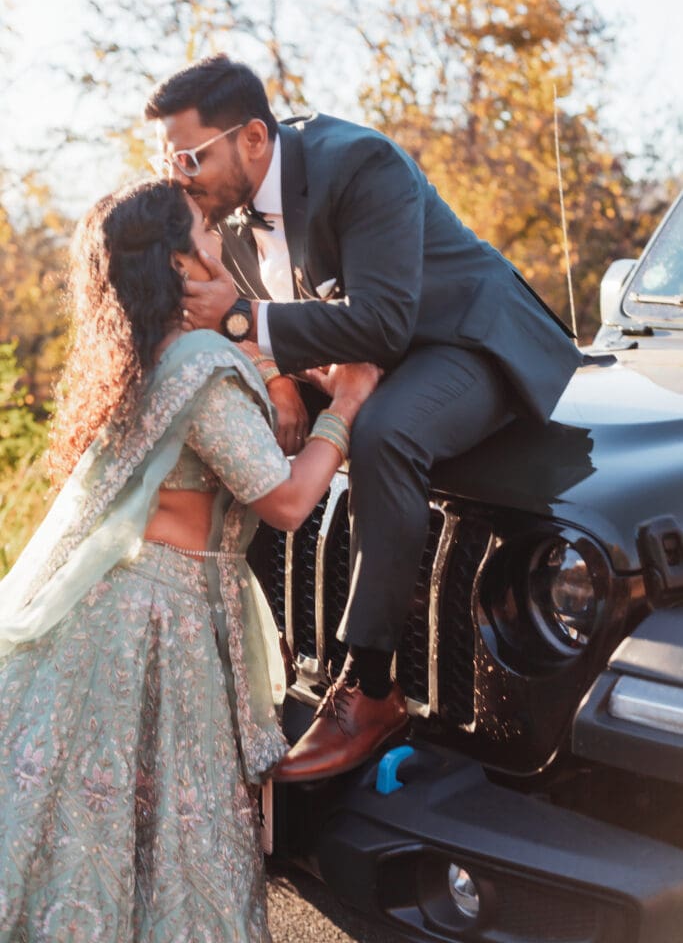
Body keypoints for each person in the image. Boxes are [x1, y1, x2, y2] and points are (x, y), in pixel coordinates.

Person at [143, 55, 583, 783]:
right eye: (167, 159)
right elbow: (276, 329)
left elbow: (380, 323)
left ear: (252, 138)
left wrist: (243, 319)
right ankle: (269, 647)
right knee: (239, 420)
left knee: (385, 436)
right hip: (354, 354)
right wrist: (279, 382)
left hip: (463, 339)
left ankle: (371, 688)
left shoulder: (360, 164)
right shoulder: (226, 208)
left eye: (189, 157)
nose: (177, 176)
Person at [0, 179, 379, 941]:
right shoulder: (197, 366)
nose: (219, 244)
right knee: (174, 832)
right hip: (157, 624)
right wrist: (346, 404)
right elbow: (285, 501)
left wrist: (280, 371)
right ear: (177, 262)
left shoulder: (146, 356)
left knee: (109, 830)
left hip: (122, 611)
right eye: (205, 232)